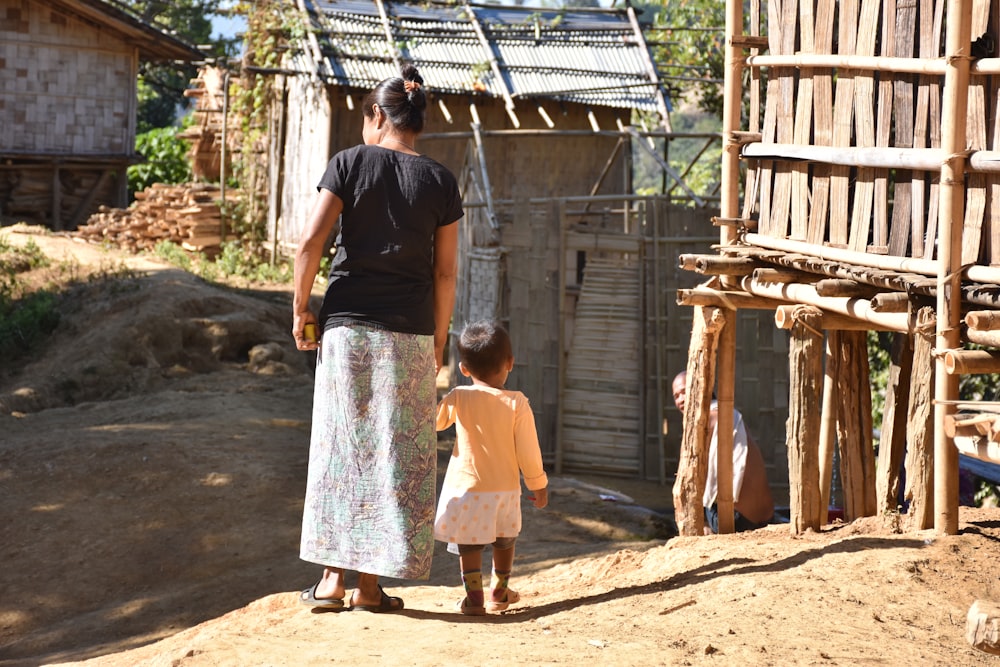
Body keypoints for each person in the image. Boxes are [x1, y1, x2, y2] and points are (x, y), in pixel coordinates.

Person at [291, 64, 463, 613]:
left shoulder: (348, 163)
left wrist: (300, 310)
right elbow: (445, 273)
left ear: (376, 116)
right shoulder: (440, 181)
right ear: (415, 122)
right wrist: (438, 343)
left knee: (341, 446)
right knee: (394, 454)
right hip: (410, 332)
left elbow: (310, 243)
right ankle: (369, 588)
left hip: (346, 329)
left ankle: (330, 581)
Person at [434, 320, 549, 615]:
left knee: (470, 546)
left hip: (466, 490)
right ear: (510, 362)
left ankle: (474, 598)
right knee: (504, 539)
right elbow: (528, 450)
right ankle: (499, 592)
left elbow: (433, 423)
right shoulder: (517, 403)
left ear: (464, 368)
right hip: (505, 490)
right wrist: (538, 484)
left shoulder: (459, 396)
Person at [672, 371, 774, 533]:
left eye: (685, 391)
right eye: (676, 396)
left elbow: (688, 479)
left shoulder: (705, 421)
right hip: (767, 517)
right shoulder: (730, 415)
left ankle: (706, 530)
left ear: (701, 389)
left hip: (735, 520)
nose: (681, 399)